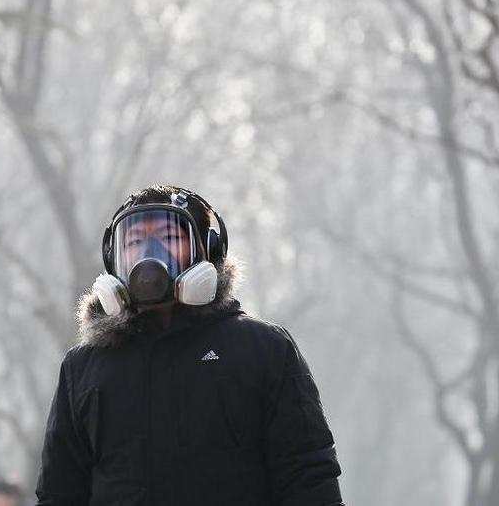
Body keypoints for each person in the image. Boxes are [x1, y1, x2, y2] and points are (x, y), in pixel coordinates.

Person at [35, 185, 344, 505]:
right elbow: (59, 493)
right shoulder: (83, 368)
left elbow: (308, 478)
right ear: (114, 258)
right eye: (135, 241)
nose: (149, 253)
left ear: (208, 249)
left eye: (169, 238)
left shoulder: (263, 350)